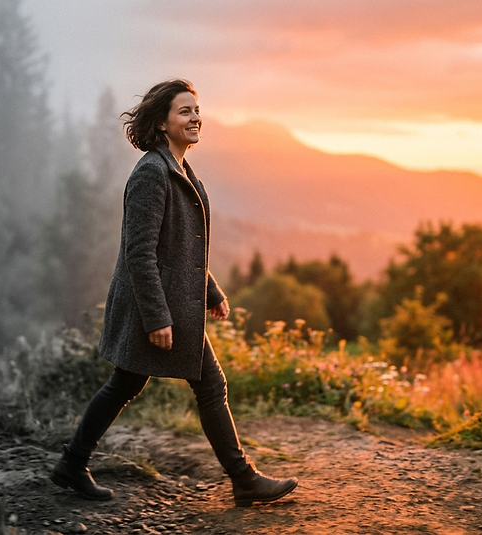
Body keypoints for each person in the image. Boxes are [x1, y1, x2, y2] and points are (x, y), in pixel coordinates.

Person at [50, 79, 298, 507]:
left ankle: (72, 464)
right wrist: (157, 317)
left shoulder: (180, 168)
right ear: (162, 123)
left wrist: (212, 291)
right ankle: (243, 478)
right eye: (185, 111)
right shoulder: (151, 173)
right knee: (206, 385)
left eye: (197, 110)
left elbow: (186, 247)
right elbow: (139, 252)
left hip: (175, 303)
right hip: (161, 307)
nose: (195, 117)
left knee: (125, 386)